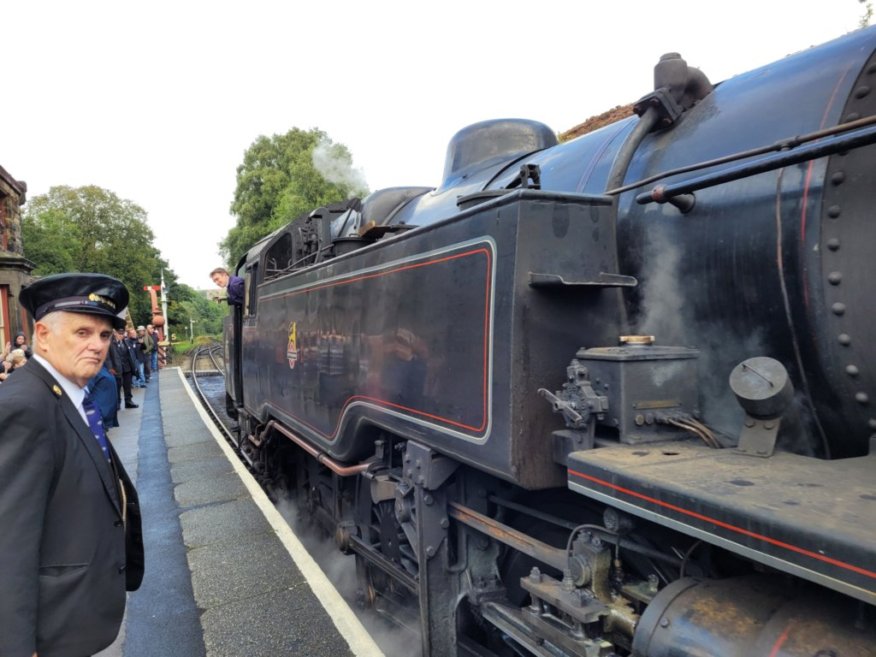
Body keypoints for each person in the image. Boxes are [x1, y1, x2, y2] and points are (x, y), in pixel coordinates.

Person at [0, 273, 144, 657]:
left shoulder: (68, 393)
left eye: (103, 335)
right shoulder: (25, 406)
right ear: (43, 335)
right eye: (82, 332)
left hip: (73, 619)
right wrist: (15, 646)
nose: (97, 346)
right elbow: (8, 539)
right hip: (50, 633)